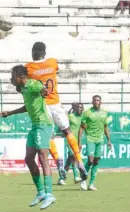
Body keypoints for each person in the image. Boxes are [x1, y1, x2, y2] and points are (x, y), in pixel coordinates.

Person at [25, 42, 87, 180]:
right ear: (45, 53)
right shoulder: (52, 62)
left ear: (33, 52)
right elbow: (54, 70)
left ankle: (58, 159)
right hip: (56, 102)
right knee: (67, 131)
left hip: (42, 106)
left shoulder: (28, 68)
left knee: (49, 135)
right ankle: (79, 159)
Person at [1, 65, 56, 210]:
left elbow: (41, 89)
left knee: (43, 158)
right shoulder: (24, 89)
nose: (11, 79)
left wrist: (44, 91)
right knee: (28, 158)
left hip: (43, 124)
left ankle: (50, 194)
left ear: (20, 77)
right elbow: (28, 106)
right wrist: (10, 113)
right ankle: (41, 192)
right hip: (35, 125)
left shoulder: (33, 84)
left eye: (12, 76)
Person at [78, 95, 112, 191]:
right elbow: (81, 128)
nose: (96, 102)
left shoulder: (104, 113)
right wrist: (79, 141)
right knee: (90, 160)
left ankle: (91, 183)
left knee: (96, 161)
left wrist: (109, 140)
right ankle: (83, 179)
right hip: (90, 139)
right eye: (94, 100)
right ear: (92, 102)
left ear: (101, 102)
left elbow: (105, 127)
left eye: (98, 100)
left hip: (100, 140)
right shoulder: (87, 113)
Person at [64, 103, 83, 184]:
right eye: (78, 107)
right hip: (70, 139)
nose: (79, 109)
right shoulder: (71, 116)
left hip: (78, 140)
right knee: (73, 156)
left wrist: (80, 141)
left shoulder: (83, 118)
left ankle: (62, 177)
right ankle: (76, 176)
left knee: (70, 159)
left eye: (81, 107)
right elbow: (63, 122)